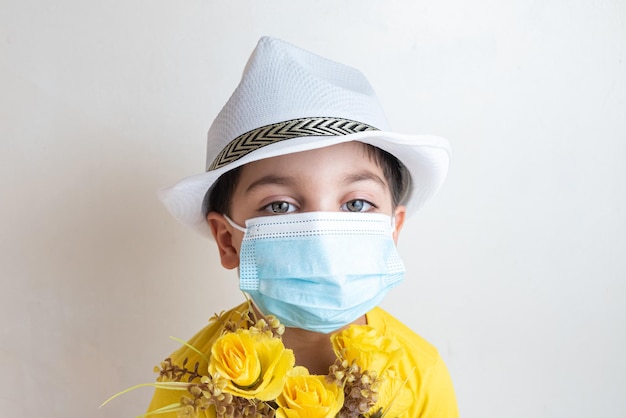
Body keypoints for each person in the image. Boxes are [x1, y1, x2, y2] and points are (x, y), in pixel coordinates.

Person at [148, 36, 458, 417]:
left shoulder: (419, 373)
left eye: (356, 204)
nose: (322, 237)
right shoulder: (193, 382)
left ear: (392, 231)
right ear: (227, 240)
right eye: (280, 206)